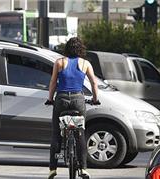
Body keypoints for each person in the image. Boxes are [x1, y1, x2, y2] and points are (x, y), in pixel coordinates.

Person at [46, 37, 99, 179]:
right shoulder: (85, 63)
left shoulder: (59, 62)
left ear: (67, 48)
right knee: (80, 132)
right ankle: (83, 169)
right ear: (81, 49)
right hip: (78, 100)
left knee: (56, 134)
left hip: (61, 99)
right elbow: (94, 83)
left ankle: (52, 169)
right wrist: (95, 99)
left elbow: (52, 83)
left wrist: (50, 99)